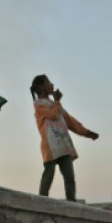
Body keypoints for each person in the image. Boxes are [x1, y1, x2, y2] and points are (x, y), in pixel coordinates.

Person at [29, 74, 99, 202]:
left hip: (63, 146)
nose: (52, 84)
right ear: (41, 87)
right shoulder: (38, 104)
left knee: (70, 177)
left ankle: (71, 203)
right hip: (50, 147)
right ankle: (41, 203)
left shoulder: (56, 105)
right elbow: (53, 115)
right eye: (48, 82)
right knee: (48, 176)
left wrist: (87, 133)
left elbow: (71, 122)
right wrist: (57, 101)